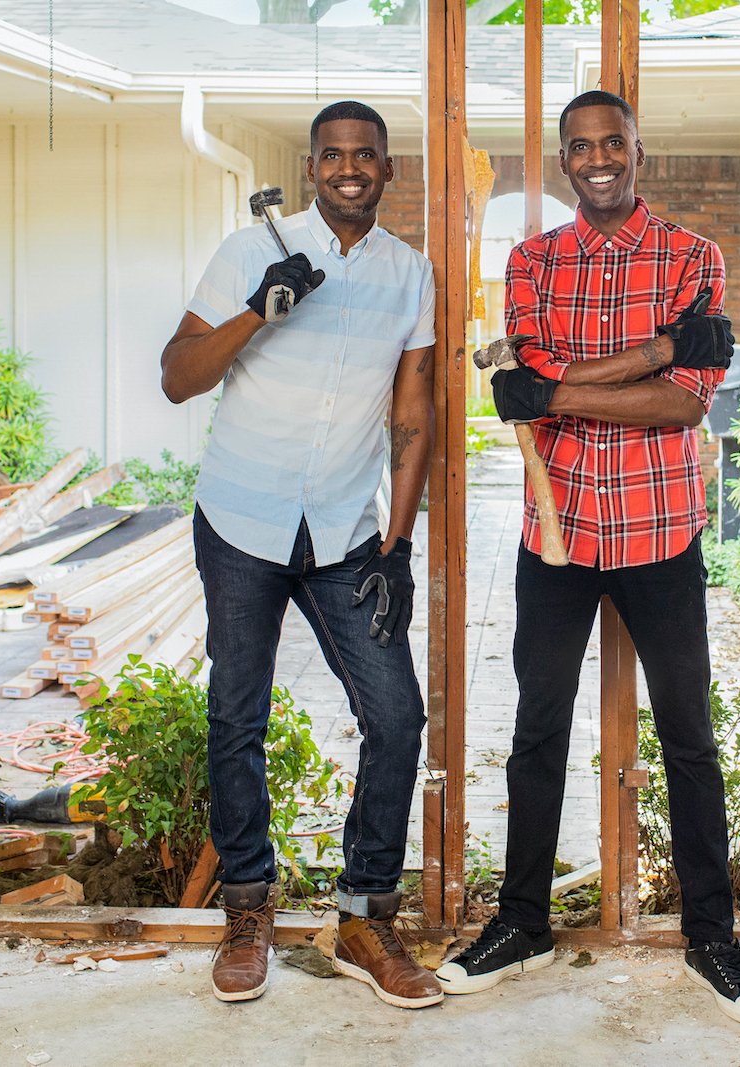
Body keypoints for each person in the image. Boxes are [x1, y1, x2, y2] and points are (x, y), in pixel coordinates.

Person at [435, 90, 740, 1027]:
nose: (597, 157)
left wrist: (561, 387)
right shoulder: (532, 260)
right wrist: (659, 350)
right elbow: (546, 390)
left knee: (689, 738)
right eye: (579, 145)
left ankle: (713, 935)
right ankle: (522, 921)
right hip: (560, 529)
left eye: (612, 142)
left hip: (662, 530)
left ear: (638, 151)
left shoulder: (691, 256)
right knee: (538, 734)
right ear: (562, 159)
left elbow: (680, 406)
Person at [160, 100, 442, 1010]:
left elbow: (413, 410)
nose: (349, 168)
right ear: (312, 165)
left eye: (366, 156)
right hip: (241, 517)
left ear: (387, 171)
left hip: (343, 530)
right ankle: (249, 914)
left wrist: (396, 540)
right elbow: (177, 376)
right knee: (235, 716)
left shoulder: (411, 274)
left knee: (396, 716)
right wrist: (260, 309)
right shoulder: (252, 253)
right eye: (333, 156)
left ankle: (363, 916)